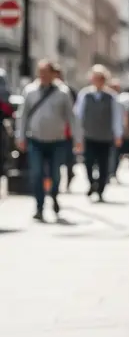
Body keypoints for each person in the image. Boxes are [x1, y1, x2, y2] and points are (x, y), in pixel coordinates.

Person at [16, 60, 80, 221]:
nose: (43, 76)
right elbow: (22, 115)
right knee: (37, 173)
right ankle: (39, 206)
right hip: (35, 139)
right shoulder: (30, 91)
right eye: (41, 72)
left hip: (57, 140)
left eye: (46, 72)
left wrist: (77, 138)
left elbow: (71, 117)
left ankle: (54, 195)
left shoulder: (62, 92)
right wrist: (20, 136)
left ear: (53, 74)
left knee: (55, 174)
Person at [74, 65, 123, 202]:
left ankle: (100, 189)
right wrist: (77, 135)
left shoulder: (112, 97)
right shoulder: (85, 94)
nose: (98, 81)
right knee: (88, 162)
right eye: (95, 78)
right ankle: (92, 183)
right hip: (89, 135)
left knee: (104, 164)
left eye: (100, 78)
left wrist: (118, 134)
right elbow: (78, 115)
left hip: (105, 136)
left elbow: (116, 117)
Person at [52, 64, 77, 191]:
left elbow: (74, 113)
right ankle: (54, 185)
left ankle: (69, 177)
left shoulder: (68, 91)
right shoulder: (42, 90)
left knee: (68, 158)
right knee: (55, 161)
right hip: (52, 132)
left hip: (66, 131)